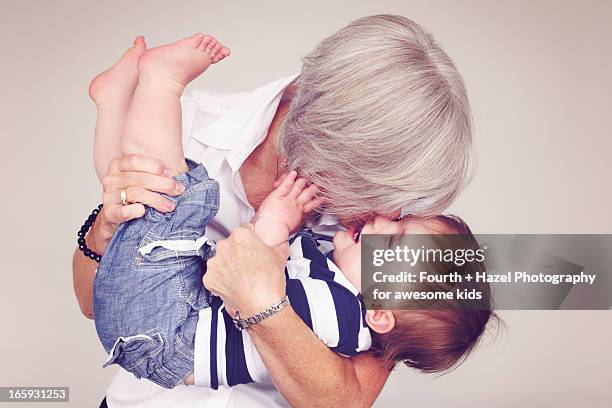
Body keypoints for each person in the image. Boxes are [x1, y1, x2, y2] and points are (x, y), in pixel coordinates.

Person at [74, 14, 474, 408]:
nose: (386, 213)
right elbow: (96, 303)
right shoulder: (173, 122)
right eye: (368, 187)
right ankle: (113, 101)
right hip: (146, 381)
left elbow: (344, 401)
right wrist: (105, 228)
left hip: (166, 345)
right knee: (157, 194)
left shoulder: (392, 234)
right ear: (330, 139)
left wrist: (259, 294)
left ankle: (135, 90)